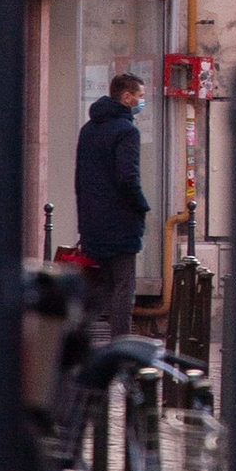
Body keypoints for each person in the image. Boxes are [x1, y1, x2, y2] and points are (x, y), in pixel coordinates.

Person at [73, 69, 149, 343]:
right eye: (140, 96)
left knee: (100, 287)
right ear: (126, 97)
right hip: (120, 222)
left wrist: (84, 221)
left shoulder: (88, 129)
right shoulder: (127, 131)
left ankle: (85, 345)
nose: (142, 102)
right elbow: (128, 178)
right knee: (123, 288)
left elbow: (80, 179)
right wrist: (141, 206)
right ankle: (121, 346)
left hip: (93, 221)